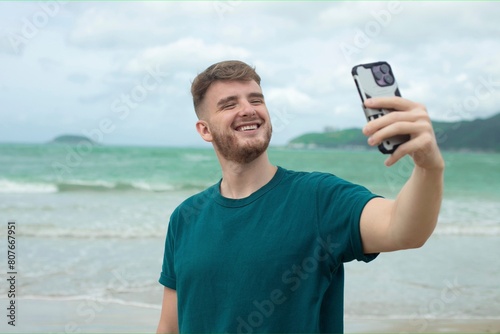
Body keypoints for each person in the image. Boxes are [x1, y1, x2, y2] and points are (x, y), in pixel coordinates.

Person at [156, 60, 444, 333]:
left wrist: (429, 167)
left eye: (256, 100)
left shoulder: (318, 197)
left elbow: (404, 229)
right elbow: (170, 327)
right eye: (229, 104)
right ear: (205, 130)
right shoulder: (185, 217)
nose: (248, 109)